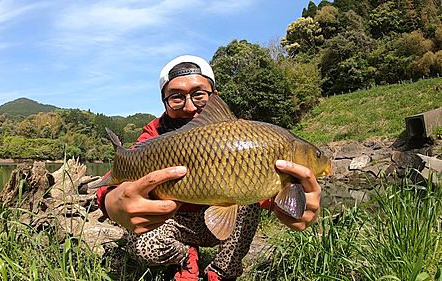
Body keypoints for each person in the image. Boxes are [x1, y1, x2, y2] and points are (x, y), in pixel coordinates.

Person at [96, 55, 322, 281]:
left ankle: (223, 271)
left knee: (248, 200)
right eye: (176, 98)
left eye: (199, 95)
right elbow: (117, 180)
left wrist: (298, 207)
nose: (190, 107)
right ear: (164, 101)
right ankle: (184, 257)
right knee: (141, 244)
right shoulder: (155, 135)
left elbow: (271, 198)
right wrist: (111, 202)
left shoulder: (244, 135)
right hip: (174, 222)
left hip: (222, 220)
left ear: (214, 96)